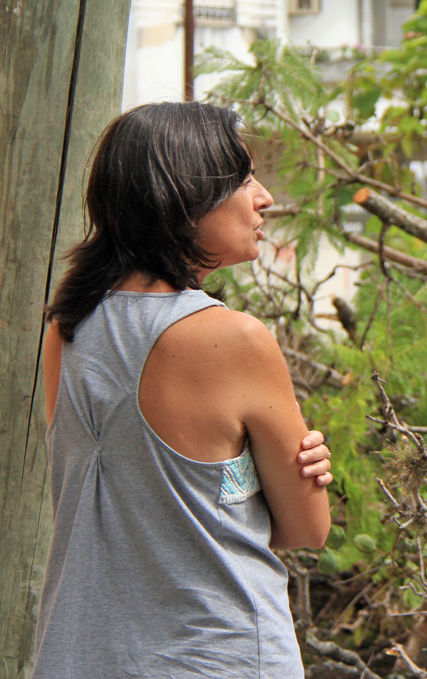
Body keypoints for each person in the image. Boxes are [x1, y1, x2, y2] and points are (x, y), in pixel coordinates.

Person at [33, 102, 333, 678]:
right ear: (185, 198)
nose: (264, 196)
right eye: (243, 179)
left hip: (78, 655)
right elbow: (306, 528)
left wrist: (235, 473)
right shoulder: (234, 338)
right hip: (216, 655)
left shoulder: (66, 330)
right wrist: (283, 473)